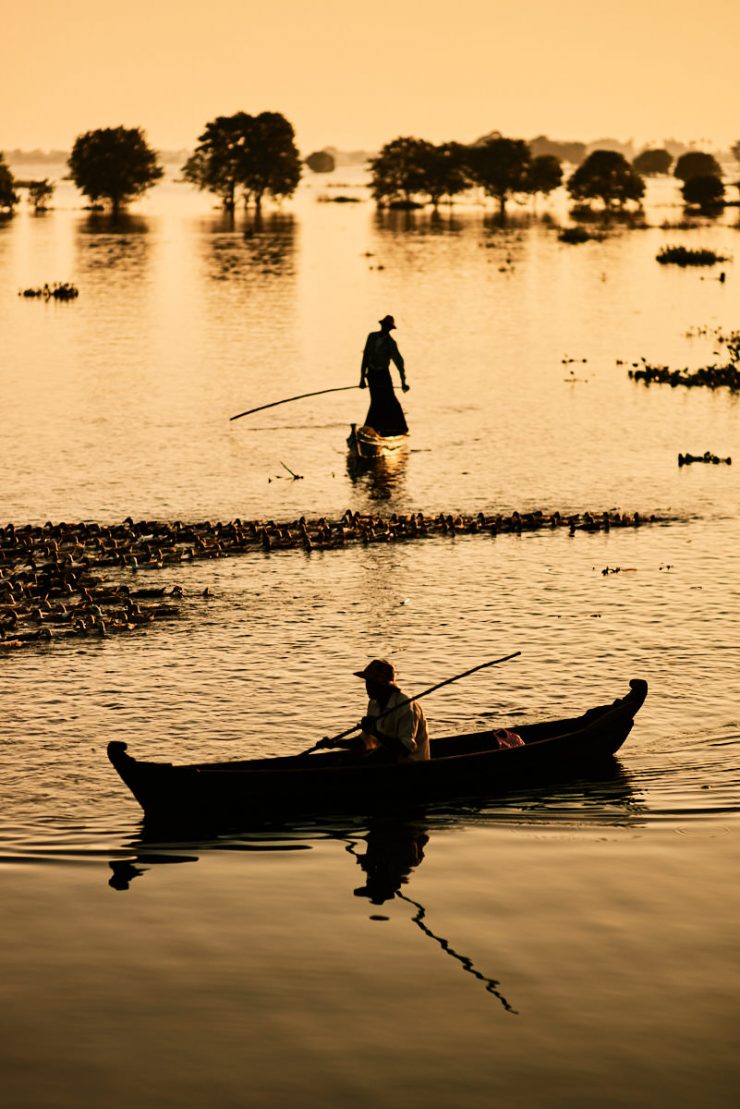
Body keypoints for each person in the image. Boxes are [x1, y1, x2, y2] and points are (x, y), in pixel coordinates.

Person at [360, 315, 410, 436]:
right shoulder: (371, 337)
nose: (386, 328)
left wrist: (403, 382)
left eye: (388, 327)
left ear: (390, 329)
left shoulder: (391, 343)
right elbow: (365, 357)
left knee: (389, 399)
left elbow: (399, 362)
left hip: (383, 374)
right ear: (382, 325)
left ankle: (397, 428)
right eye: (385, 325)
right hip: (372, 375)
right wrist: (362, 379)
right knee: (376, 400)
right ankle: (373, 428)